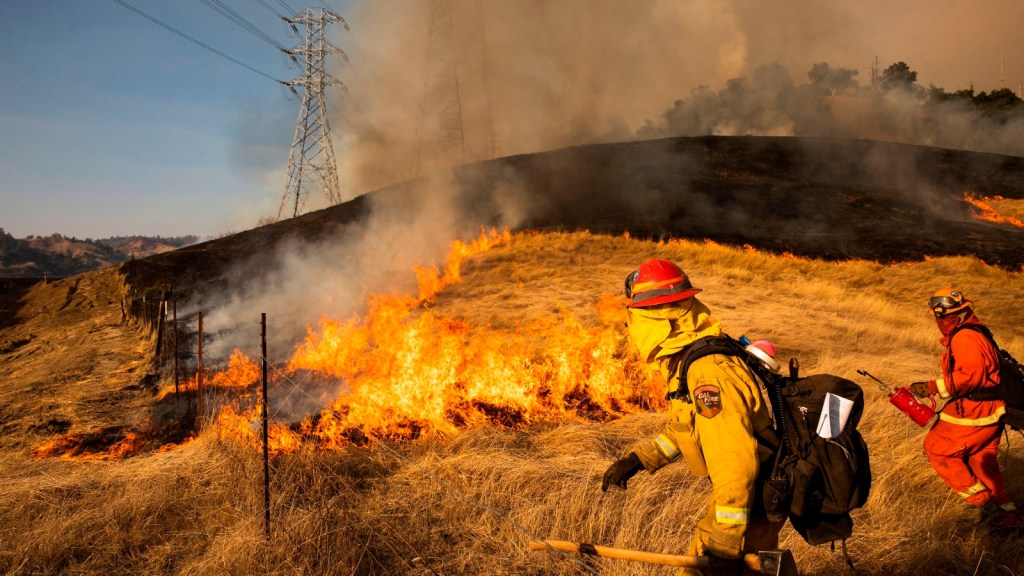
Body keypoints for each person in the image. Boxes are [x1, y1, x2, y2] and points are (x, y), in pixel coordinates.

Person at [601, 258, 786, 576]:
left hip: (750, 504)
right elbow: (686, 428)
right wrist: (638, 460)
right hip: (745, 499)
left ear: (657, 318)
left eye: (635, 316)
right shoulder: (691, 359)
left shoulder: (707, 371)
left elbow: (735, 462)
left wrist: (727, 545)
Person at [910, 288, 1022, 529]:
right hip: (991, 410)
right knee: (981, 461)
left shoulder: (965, 338)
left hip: (976, 411)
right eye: (939, 318)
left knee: (938, 449)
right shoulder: (975, 332)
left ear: (962, 314)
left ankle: (982, 504)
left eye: (947, 316)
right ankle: (1009, 516)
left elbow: (971, 376)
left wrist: (933, 386)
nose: (941, 322)